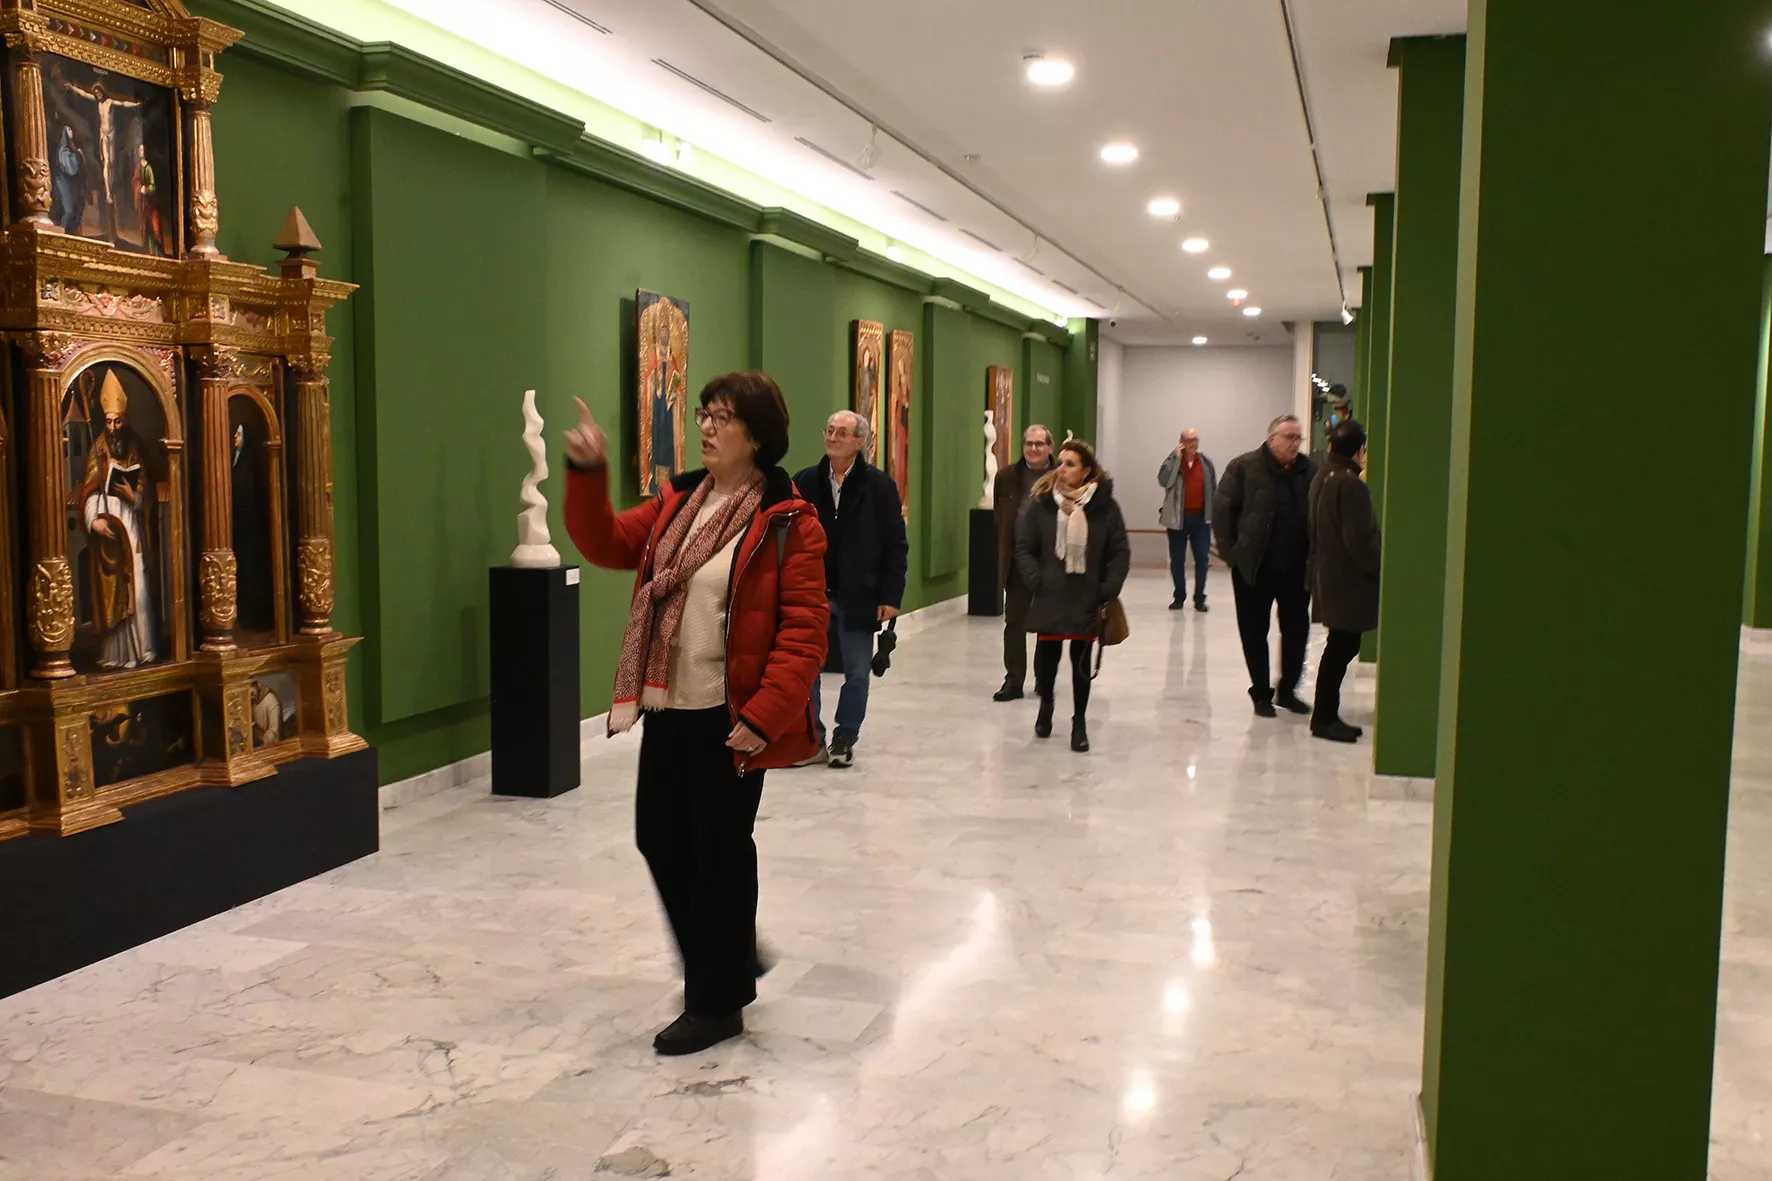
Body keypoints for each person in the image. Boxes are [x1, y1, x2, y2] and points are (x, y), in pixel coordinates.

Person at [563, 372, 828, 1057]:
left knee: (720, 857)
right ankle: (731, 954)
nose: (707, 427)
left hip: (732, 717)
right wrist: (588, 470)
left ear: (759, 435)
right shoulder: (679, 502)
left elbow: (804, 630)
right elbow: (607, 543)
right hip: (669, 708)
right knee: (660, 838)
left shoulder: (787, 520)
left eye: (724, 417)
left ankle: (716, 1002)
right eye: (705, 414)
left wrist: (766, 715)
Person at [794, 410, 908, 768]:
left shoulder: (880, 487)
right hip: (813, 593)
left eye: (841, 432)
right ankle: (813, 738)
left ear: (859, 441)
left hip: (860, 593)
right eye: (828, 430)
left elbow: (895, 544)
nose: (832, 437)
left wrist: (891, 596)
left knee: (857, 672)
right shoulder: (806, 481)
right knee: (806, 670)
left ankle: (846, 736)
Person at [1014, 440, 1130, 753]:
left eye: (1070, 464)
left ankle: (1079, 722)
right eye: (1060, 462)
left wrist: (1108, 588)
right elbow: (1024, 547)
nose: (1061, 469)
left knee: (1081, 663)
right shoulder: (1042, 503)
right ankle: (1047, 705)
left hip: (1086, 594)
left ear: (1087, 471)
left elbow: (1119, 551)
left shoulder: (1105, 507)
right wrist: (1037, 580)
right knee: (1047, 659)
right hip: (1050, 593)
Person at [1213, 414, 1315, 718]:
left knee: (1297, 631)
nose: (1295, 444)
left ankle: (1288, 690)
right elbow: (1221, 511)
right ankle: (1260, 693)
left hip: (1297, 569)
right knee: (1255, 631)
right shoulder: (1244, 467)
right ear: (1272, 439)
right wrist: (1233, 555)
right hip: (1254, 569)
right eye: (1289, 438)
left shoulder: (1308, 470)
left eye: (1298, 438)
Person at [77, 370, 157, 670]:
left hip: (132, 529)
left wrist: (132, 495)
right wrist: (93, 521)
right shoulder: (97, 447)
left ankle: (143, 650)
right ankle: (115, 655)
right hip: (107, 532)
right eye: (109, 421)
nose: (112, 427)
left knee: (138, 590)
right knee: (113, 594)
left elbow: (146, 493)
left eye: (118, 421)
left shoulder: (135, 448)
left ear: (126, 419)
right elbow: (87, 491)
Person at [1309, 419, 1382, 743]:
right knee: (1341, 646)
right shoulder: (1351, 484)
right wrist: (1379, 568)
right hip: (1348, 581)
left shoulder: (1323, 476)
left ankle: (1326, 715)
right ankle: (1324, 718)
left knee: (1339, 646)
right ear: (1359, 449)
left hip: (1328, 574)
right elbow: (1359, 539)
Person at [991, 423, 1055, 701]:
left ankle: (1044, 678)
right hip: (1017, 561)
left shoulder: (1061, 476)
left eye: (1039, 444)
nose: (1033, 449)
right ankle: (1014, 680)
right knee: (1014, 622)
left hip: (1051, 563)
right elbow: (1000, 517)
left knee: (1047, 624)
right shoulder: (1007, 477)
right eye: (1029, 443)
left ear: (1050, 448)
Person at [1157, 428, 1217, 612]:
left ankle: (1199, 598)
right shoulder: (1171, 461)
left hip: (1200, 518)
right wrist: (1176, 458)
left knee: (1202, 558)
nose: (1193, 444)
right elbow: (1165, 481)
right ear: (1181, 442)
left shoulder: (1205, 462)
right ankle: (1179, 596)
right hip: (1177, 518)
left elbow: (1213, 487)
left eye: (1196, 440)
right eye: (1189, 440)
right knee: (1177, 560)